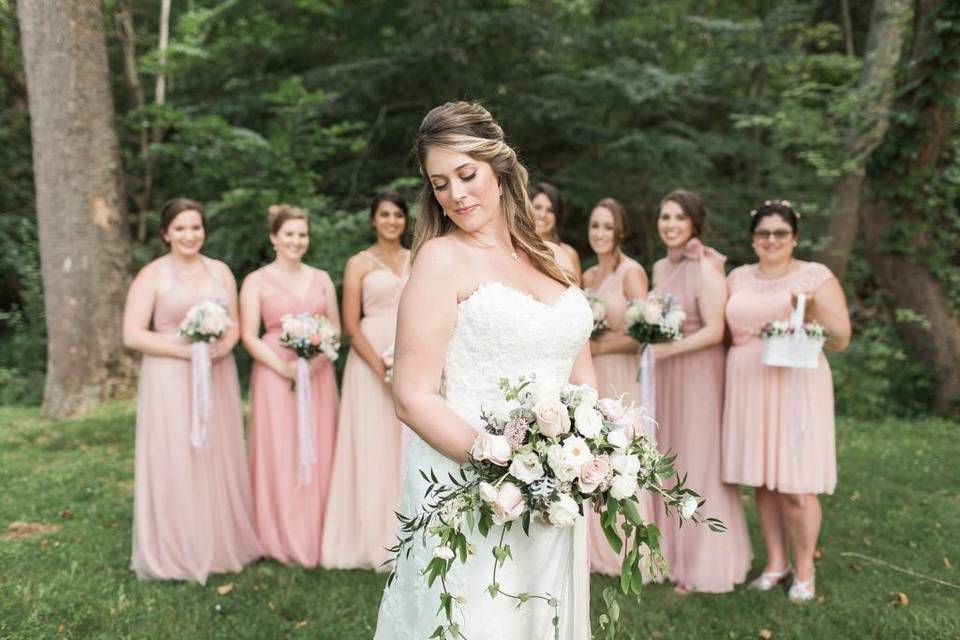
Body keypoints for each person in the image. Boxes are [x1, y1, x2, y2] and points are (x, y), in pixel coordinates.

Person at [374, 102, 595, 639]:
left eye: (467, 174)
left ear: (500, 168)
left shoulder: (554, 257)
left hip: (556, 485)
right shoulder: (440, 260)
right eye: (440, 183)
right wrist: (500, 464)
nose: (456, 195)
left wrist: (590, 450)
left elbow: (578, 372)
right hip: (473, 483)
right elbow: (412, 396)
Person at [123, 197, 260, 583]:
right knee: (175, 454)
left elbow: (233, 324)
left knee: (217, 453)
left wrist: (223, 344)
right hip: (169, 376)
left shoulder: (220, 271)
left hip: (217, 373)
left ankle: (217, 542)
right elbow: (132, 334)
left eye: (196, 227)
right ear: (166, 232)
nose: (189, 235)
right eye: (181, 228)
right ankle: (174, 548)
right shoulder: (152, 275)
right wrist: (186, 350)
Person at [722, 200, 851, 603]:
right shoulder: (738, 277)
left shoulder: (816, 277)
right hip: (749, 384)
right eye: (764, 233)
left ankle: (805, 570)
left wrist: (811, 307)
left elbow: (841, 337)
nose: (771, 240)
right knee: (763, 480)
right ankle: (775, 563)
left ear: (794, 237)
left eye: (780, 233)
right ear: (753, 238)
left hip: (797, 387)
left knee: (796, 485)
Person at [649, 189, 751, 593]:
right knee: (670, 459)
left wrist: (667, 349)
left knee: (699, 460)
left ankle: (706, 562)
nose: (670, 225)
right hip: (667, 373)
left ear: (693, 223)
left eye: (678, 218)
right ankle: (672, 554)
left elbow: (715, 330)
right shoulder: (658, 267)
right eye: (665, 217)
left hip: (699, 375)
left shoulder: (706, 267)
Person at [240, 204, 341, 568]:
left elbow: (336, 331)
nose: (296, 241)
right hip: (273, 375)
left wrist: (315, 362)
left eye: (302, 234)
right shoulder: (256, 281)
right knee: (278, 448)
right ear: (273, 238)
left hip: (318, 375)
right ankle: (275, 535)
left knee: (320, 447)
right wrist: (280, 367)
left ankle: (320, 534)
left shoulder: (322, 278)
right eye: (289, 235)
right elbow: (248, 335)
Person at [321, 192, 411, 570]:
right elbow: (350, 326)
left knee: (406, 447)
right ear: (374, 220)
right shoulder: (358, 263)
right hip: (368, 362)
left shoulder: (418, 257)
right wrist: (382, 370)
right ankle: (370, 536)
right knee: (373, 443)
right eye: (384, 214)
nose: (391, 221)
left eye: (397, 215)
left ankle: (408, 533)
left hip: (411, 356)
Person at [581, 198, 657, 577]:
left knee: (622, 454)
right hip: (592, 375)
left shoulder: (631, 272)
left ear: (620, 231)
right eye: (595, 225)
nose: (599, 233)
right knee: (596, 453)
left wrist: (601, 345)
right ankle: (597, 546)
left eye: (607, 227)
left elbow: (645, 335)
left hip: (621, 372)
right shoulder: (589, 276)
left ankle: (632, 550)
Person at [532, 182, 582, 282]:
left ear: (557, 216)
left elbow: (577, 295)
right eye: (537, 207)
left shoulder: (569, 254)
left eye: (550, 210)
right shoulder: (516, 248)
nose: (543, 215)